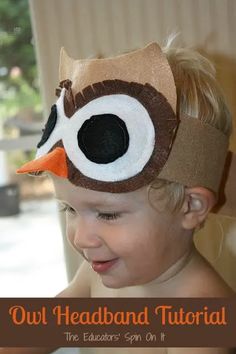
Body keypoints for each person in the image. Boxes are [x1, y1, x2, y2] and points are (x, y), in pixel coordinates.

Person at [4, 38, 235, 354]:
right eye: (69, 208)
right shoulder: (97, 274)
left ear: (190, 206)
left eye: (107, 214)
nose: (82, 238)